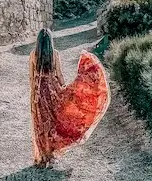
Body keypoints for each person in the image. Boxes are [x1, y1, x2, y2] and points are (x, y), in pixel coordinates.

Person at [29, 28, 110, 168]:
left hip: (39, 94)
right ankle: (52, 154)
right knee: (55, 121)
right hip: (52, 90)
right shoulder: (55, 54)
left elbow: (31, 77)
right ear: (50, 41)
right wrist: (65, 89)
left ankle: (43, 156)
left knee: (40, 124)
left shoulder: (33, 55)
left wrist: (34, 96)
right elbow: (59, 75)